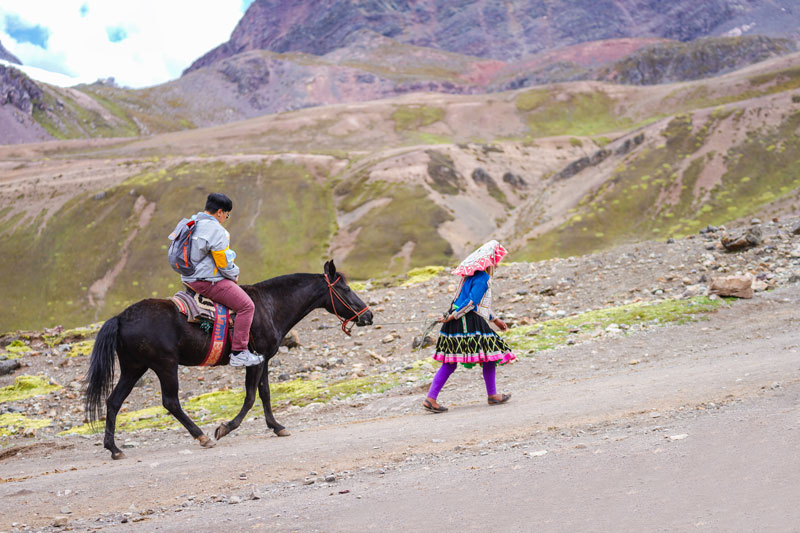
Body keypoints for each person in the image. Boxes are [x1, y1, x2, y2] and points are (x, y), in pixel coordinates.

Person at [422, 240, 515, 413]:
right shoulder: (484, 278)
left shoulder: (467, 277)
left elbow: (465, 302)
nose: (497, 263)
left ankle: (431, 398)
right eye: (495, 260)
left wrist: (495, 320)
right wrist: (453, 316)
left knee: (453, 361)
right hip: (469, 321)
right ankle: (492, 395)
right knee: (490, 356)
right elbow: (472, 303)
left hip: (458, 319)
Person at [181, 193, 263, 367]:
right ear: (220, 212)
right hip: (207, 281)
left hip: (188, 278)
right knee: (246, 306)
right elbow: (223, 262)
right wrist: (234, 274)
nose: (226, 218)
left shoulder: (191, 223)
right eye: (227, 214)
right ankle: (239, 352)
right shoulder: (216, 230)